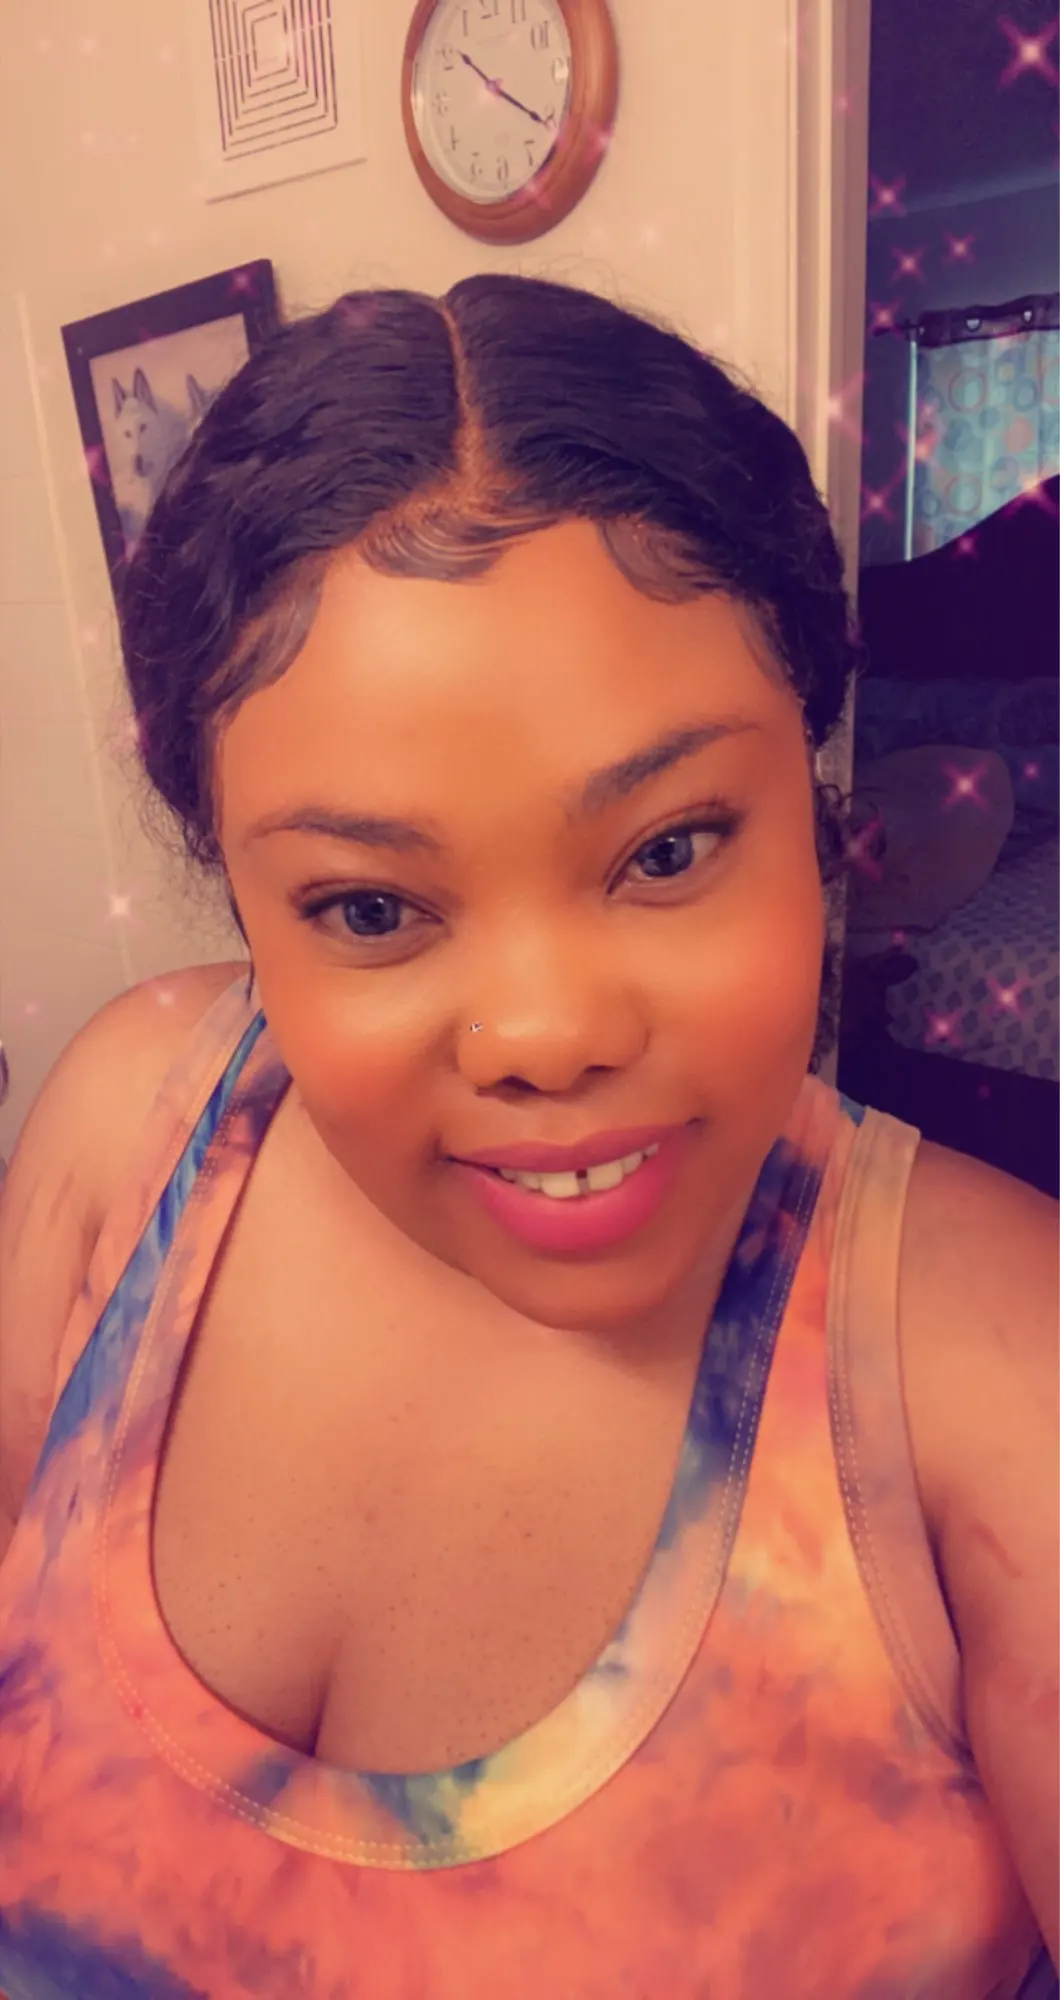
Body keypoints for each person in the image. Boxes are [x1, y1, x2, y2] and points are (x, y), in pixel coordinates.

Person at [0, 276, 1055, 2000]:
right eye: (367, 906)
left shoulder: (993, 1373)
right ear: (240, 901)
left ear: (813, 797)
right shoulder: (134, 1127)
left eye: (667, 849)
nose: (548, 1036)